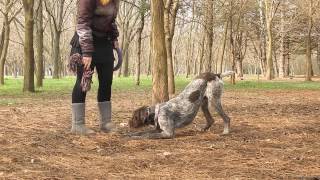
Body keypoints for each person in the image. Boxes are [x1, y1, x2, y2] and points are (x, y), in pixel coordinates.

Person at [70, 0, 120, 135]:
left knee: (106, 82)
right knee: (83, 83)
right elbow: (83, 24)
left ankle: (106, 123)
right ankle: (78, 125)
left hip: (104, 42)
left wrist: (114, 38)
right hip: (84, 40)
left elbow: (111, 21)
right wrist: (86, 52)